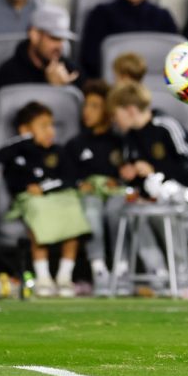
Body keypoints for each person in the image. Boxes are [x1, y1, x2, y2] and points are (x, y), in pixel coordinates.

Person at [108, 81, 188, 290]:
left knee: (163, 212)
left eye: (116, 114)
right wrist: (131, 174)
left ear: (130, 110)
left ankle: (183, 276)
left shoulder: (165, 126)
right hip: (153, 198)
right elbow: (140, 179)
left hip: (186, 197)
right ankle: (158, 273)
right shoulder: (129, 138)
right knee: (131, 209)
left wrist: (155, 170)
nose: (114, 121)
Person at [0, 102, 90, 297]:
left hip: (58, 197)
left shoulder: (58, 151)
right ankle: (43, 278)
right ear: (25, 130)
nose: (50, 131)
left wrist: (45, 187)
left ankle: (64, 277)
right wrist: (25, 139)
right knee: (38, 214)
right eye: (43, 125)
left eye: (52, 125)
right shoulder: (17, 150)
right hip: (29, 201)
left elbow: (69, 179)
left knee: (73, 211)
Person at [65, 80, 126, 296]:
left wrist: (118, 182)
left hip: (115, 195)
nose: (87, 111)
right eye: (86, 105)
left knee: (116, 211)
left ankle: (122, 270)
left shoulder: (121, 142)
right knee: (91, 211)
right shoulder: (75, 144)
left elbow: (127, 173)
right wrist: (81, 183)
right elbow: (67, 175)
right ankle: (98, 269)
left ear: (108, 111)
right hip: (89, 196)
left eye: (95, 106)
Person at [80, 0, 177, 78]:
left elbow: (176, 59)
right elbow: (90, 59)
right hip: (115, 83)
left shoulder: (163, 17)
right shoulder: (101, 14)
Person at [0, 4, 83, 91]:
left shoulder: (72, 71)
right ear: (34, 35)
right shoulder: (9, 73)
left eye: (63, 39)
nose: (60, 46)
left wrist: (67, 88)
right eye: (54, 38)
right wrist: (52, 88)